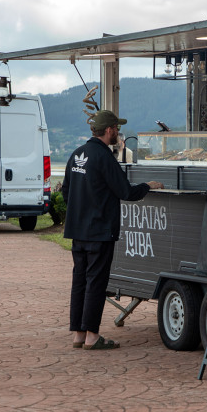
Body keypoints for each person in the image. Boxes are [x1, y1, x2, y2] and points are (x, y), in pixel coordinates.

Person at [62, 110, 163, 350]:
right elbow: (126, 192)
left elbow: (66, 192)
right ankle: (92, 337)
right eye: (117, 128)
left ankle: (78, 333)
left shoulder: (77, 154)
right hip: (99, 232)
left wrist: (81, 212)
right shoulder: (104, 157)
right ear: (109, 130)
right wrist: (148, 186)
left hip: (77, 231)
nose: (118, 132)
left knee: (80, 281)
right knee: (96, 282)